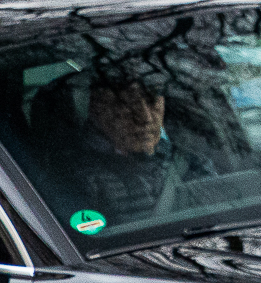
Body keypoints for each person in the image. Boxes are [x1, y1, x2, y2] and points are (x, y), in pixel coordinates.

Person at [51, 74, 214, 226]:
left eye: (152, 101)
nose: (146, 118)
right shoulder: (76, 176)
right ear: (97, 109)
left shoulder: (193, 164)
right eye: (127, 104)